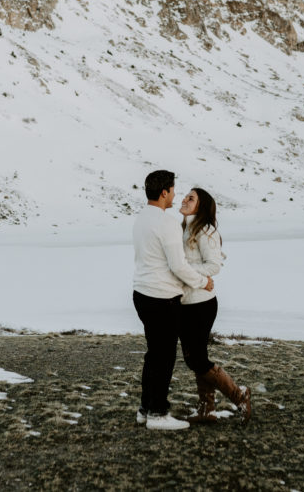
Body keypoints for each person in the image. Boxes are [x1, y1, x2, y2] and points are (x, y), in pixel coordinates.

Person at [132, 169, 214, 431]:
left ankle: (146, 409)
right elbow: (178, 266)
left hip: (142, 293)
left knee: (153, 354)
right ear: (164, 192)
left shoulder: (141, 218)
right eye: (174, 190)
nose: (176, 195)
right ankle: (158, 414)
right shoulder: (166, 222)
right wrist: (204, 282)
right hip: (162, 298)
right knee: (164, 357)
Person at [178, 187, 251, 423]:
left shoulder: (205, 229)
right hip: (185, 302)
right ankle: (206, 410)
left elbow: (214, 266)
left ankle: (239, 397)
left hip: (201, 304)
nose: (185, 199)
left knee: (197, 359)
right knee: (195, 357)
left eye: (191, 198)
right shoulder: (183, 228)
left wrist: (183, 272)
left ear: (202, 205)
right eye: (185, 196)